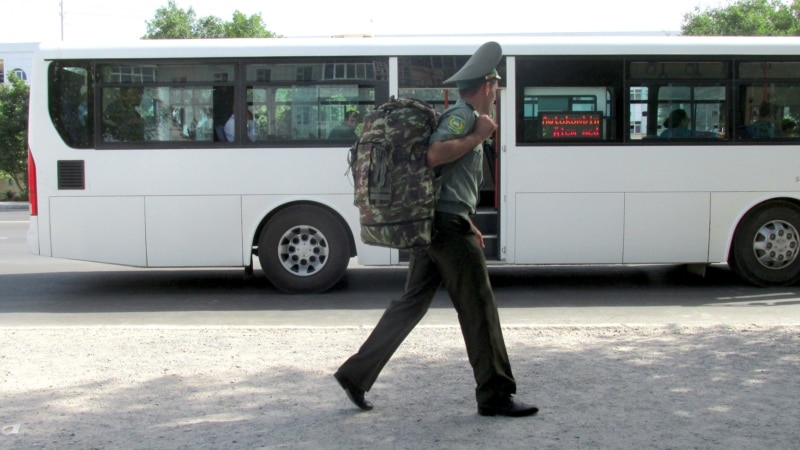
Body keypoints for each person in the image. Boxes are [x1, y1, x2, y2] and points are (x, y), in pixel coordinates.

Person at [333, 41, 539, 418]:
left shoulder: (464, 115)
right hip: (445, 227)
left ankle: (355, 374)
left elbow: (449, 178)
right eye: (495, 86)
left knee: (412, 303)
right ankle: (495, 395)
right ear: (488, 86)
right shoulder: (463, 118)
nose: (496, 93)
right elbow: (433, 155)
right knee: (478, 306)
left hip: (440, 221)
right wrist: (478, 136)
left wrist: (469, 220)